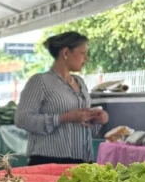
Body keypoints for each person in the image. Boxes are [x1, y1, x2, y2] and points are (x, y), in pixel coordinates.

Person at [15, 32, 109, 165]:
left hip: (82, 160)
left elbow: (83, 124)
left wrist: (97, 119)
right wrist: (63, 118)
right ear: (65, 53)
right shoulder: (40, 81)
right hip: (48, 161)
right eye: (82, 53)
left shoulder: (80, 82)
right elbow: (22, 119)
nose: (86, 58)